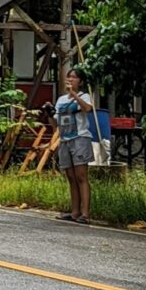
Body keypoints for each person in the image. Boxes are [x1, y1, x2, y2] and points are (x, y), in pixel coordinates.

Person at [42, 67, 95, 223]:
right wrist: (49, 112)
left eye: (74, 77)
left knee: (81, 176)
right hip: (65, 139)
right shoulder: (61, 100)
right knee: (71, 177)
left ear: (81, 81)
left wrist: (74, 95)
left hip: (80, 138)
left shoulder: (84, 96)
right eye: (69, 77)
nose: (70, 79)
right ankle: (74, 212)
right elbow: (55, 124)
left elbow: (88, 109)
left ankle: (85, 214)